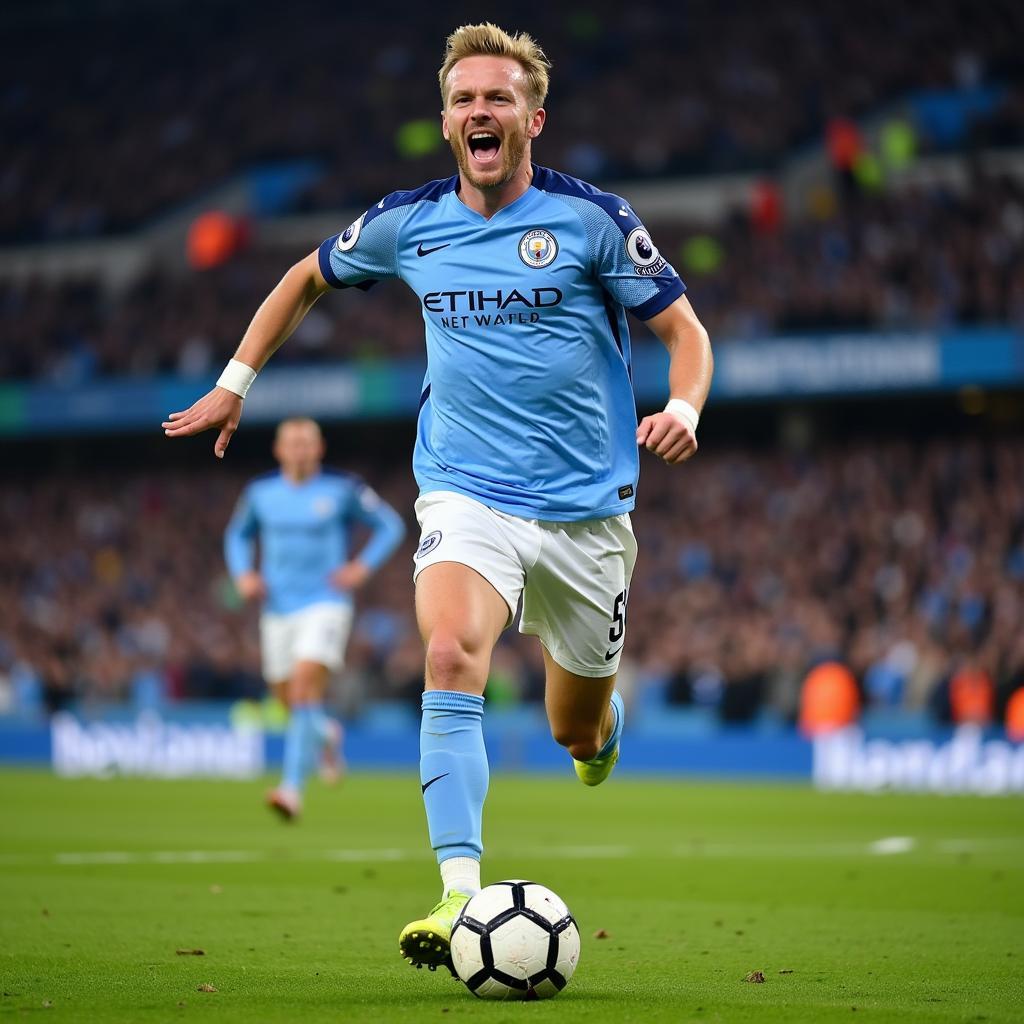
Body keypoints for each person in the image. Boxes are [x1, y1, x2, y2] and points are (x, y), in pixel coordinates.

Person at [164, 22, 712, 972]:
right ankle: (460, 893)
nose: (480, 112)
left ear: (533, 118)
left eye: (497, 98)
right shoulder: (408, 222)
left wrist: (687, 405)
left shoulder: (591, 220)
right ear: (447, 122)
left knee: (572, 727)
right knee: (450, 651)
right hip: (466, 494)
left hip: (588, 515)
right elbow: (305, 277)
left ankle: (601, 726)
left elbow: (686, 332)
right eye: (464, 100)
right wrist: (235, 382)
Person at [224, 417, 405, 819]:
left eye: (308, 443)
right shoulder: (260, 494)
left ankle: (291, 788)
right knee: (287, 698)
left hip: (326, 603)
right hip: (276, 608)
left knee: (306, 687)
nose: (301, 450)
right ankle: (325, 733)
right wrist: (243, 573)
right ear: (279, 449)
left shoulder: (344, 489)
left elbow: (390, 525)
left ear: (320, 448)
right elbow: (237, 535)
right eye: (293, 443)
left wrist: (362, 567)